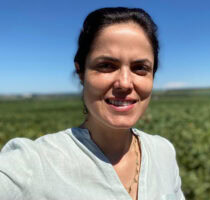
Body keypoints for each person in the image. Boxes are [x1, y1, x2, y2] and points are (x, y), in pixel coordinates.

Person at [0, 7, 185, 200]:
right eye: (106, 65)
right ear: (81, 72)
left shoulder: (163, 152)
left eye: (140, 68)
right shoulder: (34, 164)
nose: (124, 82)